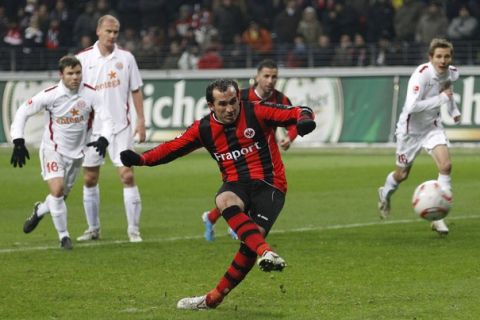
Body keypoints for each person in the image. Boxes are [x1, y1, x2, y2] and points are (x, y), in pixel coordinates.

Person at [119, 78, 316, 309]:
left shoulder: (256, 111)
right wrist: (143, 159)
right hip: (236, 184)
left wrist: (303, 121)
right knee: (224, 200)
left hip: (270, 183)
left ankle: (213, 298)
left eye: (233, 102)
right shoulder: (203, 129)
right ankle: (266, 252)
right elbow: (173, 147)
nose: (230, 108)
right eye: (222, 104)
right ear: (210, 105)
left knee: (248, 245)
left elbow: (300, 111)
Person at [10, 55, 112, 250]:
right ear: (61, 75)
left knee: (61, 196)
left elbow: (107, 117)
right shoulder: (51, 94)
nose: (75, 77)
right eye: (70, 73)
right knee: (57, 191)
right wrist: (18, 141)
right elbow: (23, 111)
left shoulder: (91, 94)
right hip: (53, 150)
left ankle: (40, 210)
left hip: (77, 155)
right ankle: (64, 237)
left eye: (78, 73)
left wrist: (104, 138)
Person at [201, 59, 298, 242]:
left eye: (274, 77)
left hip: (265, 154)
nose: (270, 80)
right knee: (242, 193)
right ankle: (235, 225)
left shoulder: (281, 99)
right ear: (257, 77)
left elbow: (293, 122)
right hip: (238, 154)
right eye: (266, 76)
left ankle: (213, 218)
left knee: (251, 193)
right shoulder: (241, 97)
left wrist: (290, 137)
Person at [378, 38, 461, 235]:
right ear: (430, 58)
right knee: (402, 175)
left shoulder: (451, 72)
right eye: (439, 56)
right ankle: (385, 193)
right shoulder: (421, 76)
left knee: (446, 166)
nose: (443, 60)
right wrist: (441, 100)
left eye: (446, 56)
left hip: (432, 127)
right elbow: (411, 107)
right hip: (410, 132)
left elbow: (447, 90)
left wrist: (454, 110)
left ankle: (439, 217)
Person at [75, 15, 146, 243]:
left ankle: (133, 230)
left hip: (120, 128)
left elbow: (135, 90)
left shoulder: (126, 58)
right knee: (89, 178)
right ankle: (93, 229)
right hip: (92, 130)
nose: (112, 36)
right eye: (109, 31)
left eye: (116, 32)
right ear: (98, 31)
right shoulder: (83, 59)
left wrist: (141, 120)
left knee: (127, 175)